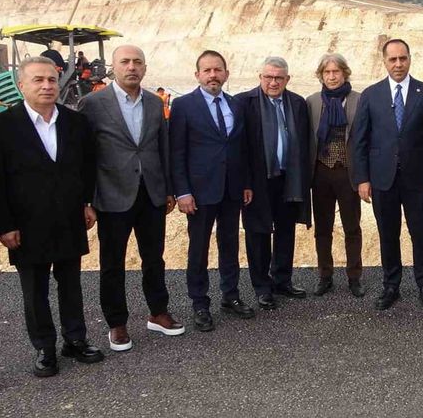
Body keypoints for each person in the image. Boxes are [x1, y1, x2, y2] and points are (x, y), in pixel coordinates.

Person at [0, 56, 103, 377]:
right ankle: (45, 347)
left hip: (69, 217)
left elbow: (87, 166)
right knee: (35, 290)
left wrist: (87, 202)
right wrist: (4, 225)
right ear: (21, 85)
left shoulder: (75, 123)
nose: (46, 86)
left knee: (71, 284)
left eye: (51, 80)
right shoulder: (5, 125)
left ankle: (75, 339)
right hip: (26, 224)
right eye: (38, 80)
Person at [78, 45, 185, 352]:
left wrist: (168, 189)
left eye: (138, 62)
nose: (132, 67)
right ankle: (117, 323)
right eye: (125, 62)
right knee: (112, 262)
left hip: (151, 192)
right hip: (112, 194)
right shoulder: (93, 103)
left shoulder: (154, 102)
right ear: (114, 67)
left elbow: (162, 147)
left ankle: (158, 312)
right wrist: (86, 199)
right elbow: (84, 154)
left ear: (145, 68)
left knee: (154, 257)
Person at [350, 39, 423, 311]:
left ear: (409, 59)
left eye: (402, 58)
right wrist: (362, 179)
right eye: (392, 59)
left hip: (419, 180)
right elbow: (360, 140)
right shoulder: (371, 95)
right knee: (388, 233)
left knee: (421, 233)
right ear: (384, 62)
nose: (398, 64)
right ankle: (391, 285)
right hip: (382, 179)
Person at [170, 50, 254, 332]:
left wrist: (246, 183)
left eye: (217, 70)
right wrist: (182, 191)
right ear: (197, 75)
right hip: (199, 192)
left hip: (232, 189)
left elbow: (242, 148)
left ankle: (230, 296)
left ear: (226, 74)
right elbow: (177, 152)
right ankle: (200, 303)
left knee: (230, 244)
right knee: (199, 248)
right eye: (207, 70)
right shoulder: (183, 105)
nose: (213, 75)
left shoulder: (236, 105)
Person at [237, 57, 311, 310]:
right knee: (258, 233)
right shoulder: (244, 103)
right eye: (268, 77)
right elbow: (240, 147)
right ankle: (262, 287)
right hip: (257, 181)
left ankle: (282, 280)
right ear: (260, 77)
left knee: (286, 231)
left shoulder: (297, 103)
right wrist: (245, 182)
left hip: (289, 178)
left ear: (287, 79)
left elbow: (304, 142)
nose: (273, 82)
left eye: (279, 78)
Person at [306, 53, 364, 297]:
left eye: (336, 71)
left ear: (344, 73)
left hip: (348, 173)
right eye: (327, 72)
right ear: (321, 75)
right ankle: (325, 275)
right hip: (320, 172)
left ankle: (354, 277)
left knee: (352, 227)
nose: (331, 77)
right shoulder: (312, 102)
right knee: (322, 228)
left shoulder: (359, 100)